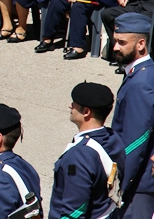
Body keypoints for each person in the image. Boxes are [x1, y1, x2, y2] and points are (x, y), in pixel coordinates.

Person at [50, 82, 124, 219]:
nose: (70, 106)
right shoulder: (113, 138)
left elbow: (74, 212)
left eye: (74, 104)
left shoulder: (79, 156)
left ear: (86, 112)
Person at [111, 13, 154, 219]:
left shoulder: (141, 82)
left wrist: (120, 182)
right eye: (115, 41)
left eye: (121, 42)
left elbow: (136, 139)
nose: (115, 47)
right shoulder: (143, 72)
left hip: (138, 182)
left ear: (141, 44)